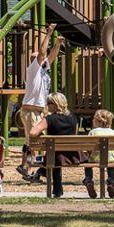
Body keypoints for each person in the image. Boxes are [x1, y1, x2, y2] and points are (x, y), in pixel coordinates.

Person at [18, 29, 61, 174]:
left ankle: (24, 166)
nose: (43, 59)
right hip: (31, 109)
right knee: (34, 139)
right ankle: (29, 170)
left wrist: (58, 43)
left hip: (38, 109)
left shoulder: (42, 70)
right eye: (39, 58)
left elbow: (52, 56)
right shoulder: (33, 69)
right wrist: (49, 33)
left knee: (31, 139)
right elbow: (43, 53)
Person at [43, 92, 81, 198]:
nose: (47, 105)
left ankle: (42, 172)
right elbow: (75, 134)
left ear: (55, 104)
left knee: (54, 154)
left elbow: (32, 133)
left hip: (55, 155)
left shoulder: (50, 119)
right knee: (56, 154)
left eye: (48, 103)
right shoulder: (73, 118)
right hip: (72, 155)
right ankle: (56, 189)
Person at [86, 108, 114, 198]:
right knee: (111, 162)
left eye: (94, 119)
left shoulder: (93, 132)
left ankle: (88, 180)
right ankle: (111, 181)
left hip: (94, 159)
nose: (92, 120)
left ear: (98, 122)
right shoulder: (113, 132)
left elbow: (88, 147)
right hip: (110, 159)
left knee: (87, 162)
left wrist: (88, 154)